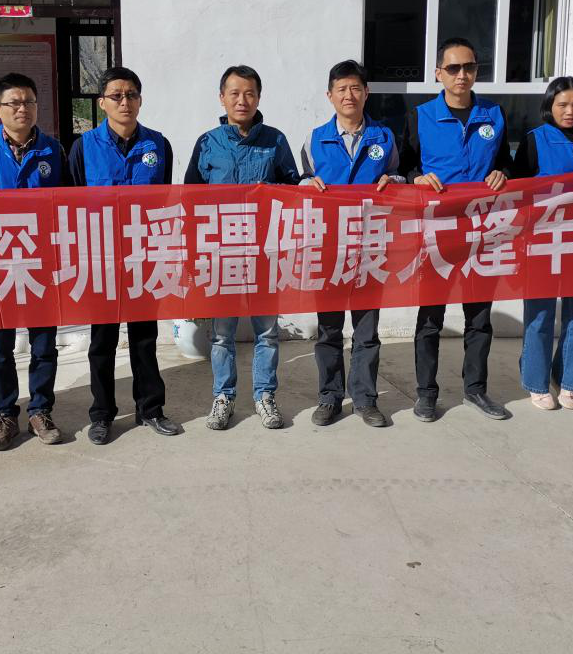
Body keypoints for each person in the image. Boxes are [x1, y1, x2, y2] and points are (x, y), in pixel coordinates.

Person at [400, 37, 513, 422]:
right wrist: (416, 178)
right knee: (430, 317)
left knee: (479, 318)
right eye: (453, 68)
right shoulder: (420, 116)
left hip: (483, 230)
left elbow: (507, 162)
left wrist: (503, 173)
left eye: (469, 67)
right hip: (438, 231)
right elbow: (405, 167)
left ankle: (476, 390)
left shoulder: (494, 114)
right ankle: (426, 394)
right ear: (438, 74)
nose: (461, 75)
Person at [0, 72, 73, 450]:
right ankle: (6, 415)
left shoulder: (54, 150)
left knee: (44, 344)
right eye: (14, 103)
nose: (22, 109)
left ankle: (40, 410)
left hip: (41, 261)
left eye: (29, 102)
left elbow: (68, 205)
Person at [67, 67, 179, 444]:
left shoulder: (158, 145)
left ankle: (151, 408)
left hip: (144, 256)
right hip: (100, 258)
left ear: (140, 100)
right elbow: (71, 206)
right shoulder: (84, 148)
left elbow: (164, 199)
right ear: (102, 103)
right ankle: (102, 414)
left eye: (131, 94)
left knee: (144, 338)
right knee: (102, 342)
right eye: (116, 96)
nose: (124, 102)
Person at [185, 64, 300, 430]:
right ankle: (223, 397)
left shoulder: (275, 141)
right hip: (223, 254)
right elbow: (191, 198)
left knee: (267, 332)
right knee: (222, 334)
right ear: (222, 98)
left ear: (258, 98)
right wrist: (195, 253)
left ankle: (265, 397)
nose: (242, 100)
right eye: (234, 93)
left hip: (265, 252)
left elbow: (293, 189)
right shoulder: (207, 143)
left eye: (249, 93)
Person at [300, 59, 403, 428]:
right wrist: (304, 184)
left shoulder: (384, 137)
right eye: (341, 89)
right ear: (330, 95)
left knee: (366, 331)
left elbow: (397, 176)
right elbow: (302, 181)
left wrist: (395, 181)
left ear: (366, 93)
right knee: (328, 330)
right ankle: (329, 398)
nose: (349, 95)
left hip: (370, 247)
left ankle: (365, 399)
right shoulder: (315, 139)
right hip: (328, 247)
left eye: (355, 88)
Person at [510, 76, 573, 411]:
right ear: (549, 106)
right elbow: (518, 191)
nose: (570, 111)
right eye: (562, 104)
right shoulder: (535, 139)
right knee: (540, 312)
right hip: (543, 239)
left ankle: (570, 381)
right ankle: (536, 381)